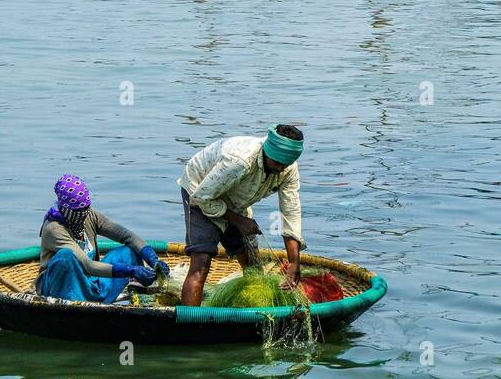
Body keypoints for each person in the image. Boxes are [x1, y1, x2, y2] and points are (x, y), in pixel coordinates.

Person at [178, 125, 305, 307]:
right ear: (267, 152)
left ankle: (256, 313)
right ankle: (188, 324)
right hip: (200, 192)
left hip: (237, 200)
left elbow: (291, 211)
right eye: (277, 164)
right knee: (201, 263)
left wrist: (294, 262)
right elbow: (201, 198)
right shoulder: (240, 160)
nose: (281, 169)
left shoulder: (288, 169)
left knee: (252, 261)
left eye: (285, 165)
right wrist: (239, 220)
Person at [34, 174, 167, 303]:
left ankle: (98, 299)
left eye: (86, 208)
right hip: (61, 288)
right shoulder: (53, 229)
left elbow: (127, 236)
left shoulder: (89, 215)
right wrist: (131, 270)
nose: (83, 213)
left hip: (91, 281)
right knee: (66, 256)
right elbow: (89, 266)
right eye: (78, 210)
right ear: (65, 208)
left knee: (129, 251)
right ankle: (74, 306)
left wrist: (153, 260)